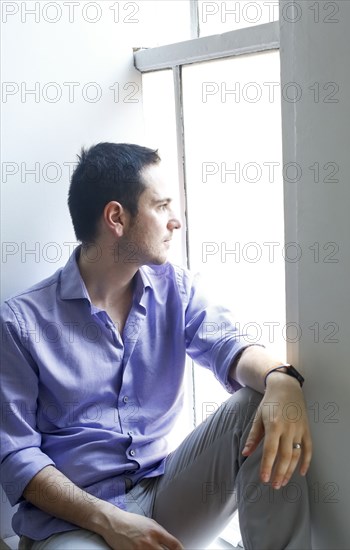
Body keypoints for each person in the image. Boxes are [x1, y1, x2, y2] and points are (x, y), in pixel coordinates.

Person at [0, 143, 312, 550]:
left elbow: (228, 345)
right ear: (117, 218)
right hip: (73, 522)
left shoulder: (175, 289)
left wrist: (281, 378)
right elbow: (16, 457)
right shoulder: (20, 324)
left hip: (165, 494)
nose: (176, 221)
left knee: (260, 403)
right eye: (161, 206)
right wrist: (112, 521)